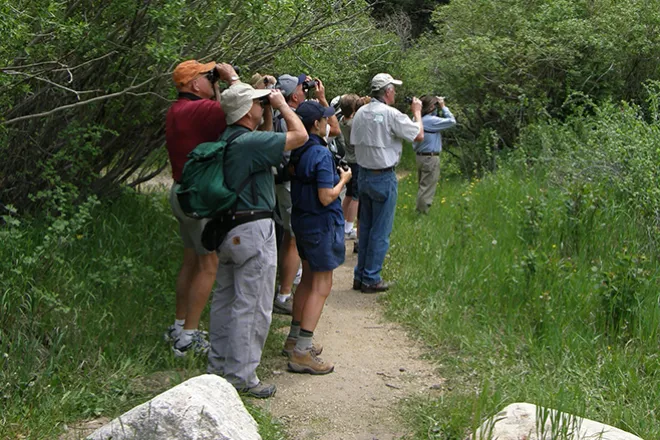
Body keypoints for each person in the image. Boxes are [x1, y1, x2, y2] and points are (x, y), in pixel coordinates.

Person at [206, 82, 308, 398]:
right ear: (246, 111)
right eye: (256, 103)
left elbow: (266, 141)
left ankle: (218, 368)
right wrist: (281, 105)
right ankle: (242, 377)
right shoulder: (250, 143)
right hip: (254, 230)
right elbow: (300, 136)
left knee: (225, 300)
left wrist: (264, 108)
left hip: (228, 230)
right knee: (252, 305)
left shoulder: (228, 139)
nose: (260, 105)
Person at [164, 60, 240, 357]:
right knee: (209, 265)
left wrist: (216, 85)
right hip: (200, 200)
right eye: (208, 77)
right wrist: (231, 78)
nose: (212, 81)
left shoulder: (178, 109)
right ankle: (189, 337)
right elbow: (238, 109)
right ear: (195, 84)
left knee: (190, 262)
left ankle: (179, 325)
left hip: (180, 191)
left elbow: (217, 113)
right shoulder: (202, 110)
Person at [283, 100, 352, 374]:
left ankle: (293, 339)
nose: (328, 124)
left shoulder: (298, 150)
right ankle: (302, 352)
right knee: (322, 285)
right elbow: (326, 196)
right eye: (325, 119)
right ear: (316, 124)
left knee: (308, 279)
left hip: (302, 221)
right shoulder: (321, 155)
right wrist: (343, 180)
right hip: (320, 225)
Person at [273, 74, 340, 314]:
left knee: (293, 239)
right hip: (304, 195)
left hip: (295, 186)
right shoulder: (292, 124)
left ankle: (288, 300)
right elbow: (335, 130)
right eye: (303, 86)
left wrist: (319, 99)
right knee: (294, 243)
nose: (306, 88)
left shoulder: (291, 117)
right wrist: (343, 180)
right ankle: (284, 295)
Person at [350, 73, 423, 293]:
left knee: (366, 228)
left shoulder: (360, 112)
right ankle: (371, 278)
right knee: (381, 230)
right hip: (383, 175)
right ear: (388, 92)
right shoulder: (392, 114)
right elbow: (418, 134)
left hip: (363, 174)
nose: (396, 93)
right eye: (394, 90)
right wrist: (417, 113)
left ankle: (360, 275)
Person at [414, 95, 456, 214]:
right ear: (432, 107)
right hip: (430, 158)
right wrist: (443, 106)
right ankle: (421, 213)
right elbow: (452, 121)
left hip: (420, 156)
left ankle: (420, 211)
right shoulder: (430, 121)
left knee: (423, 186)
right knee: (427, 188)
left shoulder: (417, 119)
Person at [339, 94, 360, 241]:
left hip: (348, 159)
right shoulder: (355, 124)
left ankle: (340, 224)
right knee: (356, 197)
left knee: (348, 194)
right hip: (357, 161)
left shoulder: (342, 121)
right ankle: (348, 228)